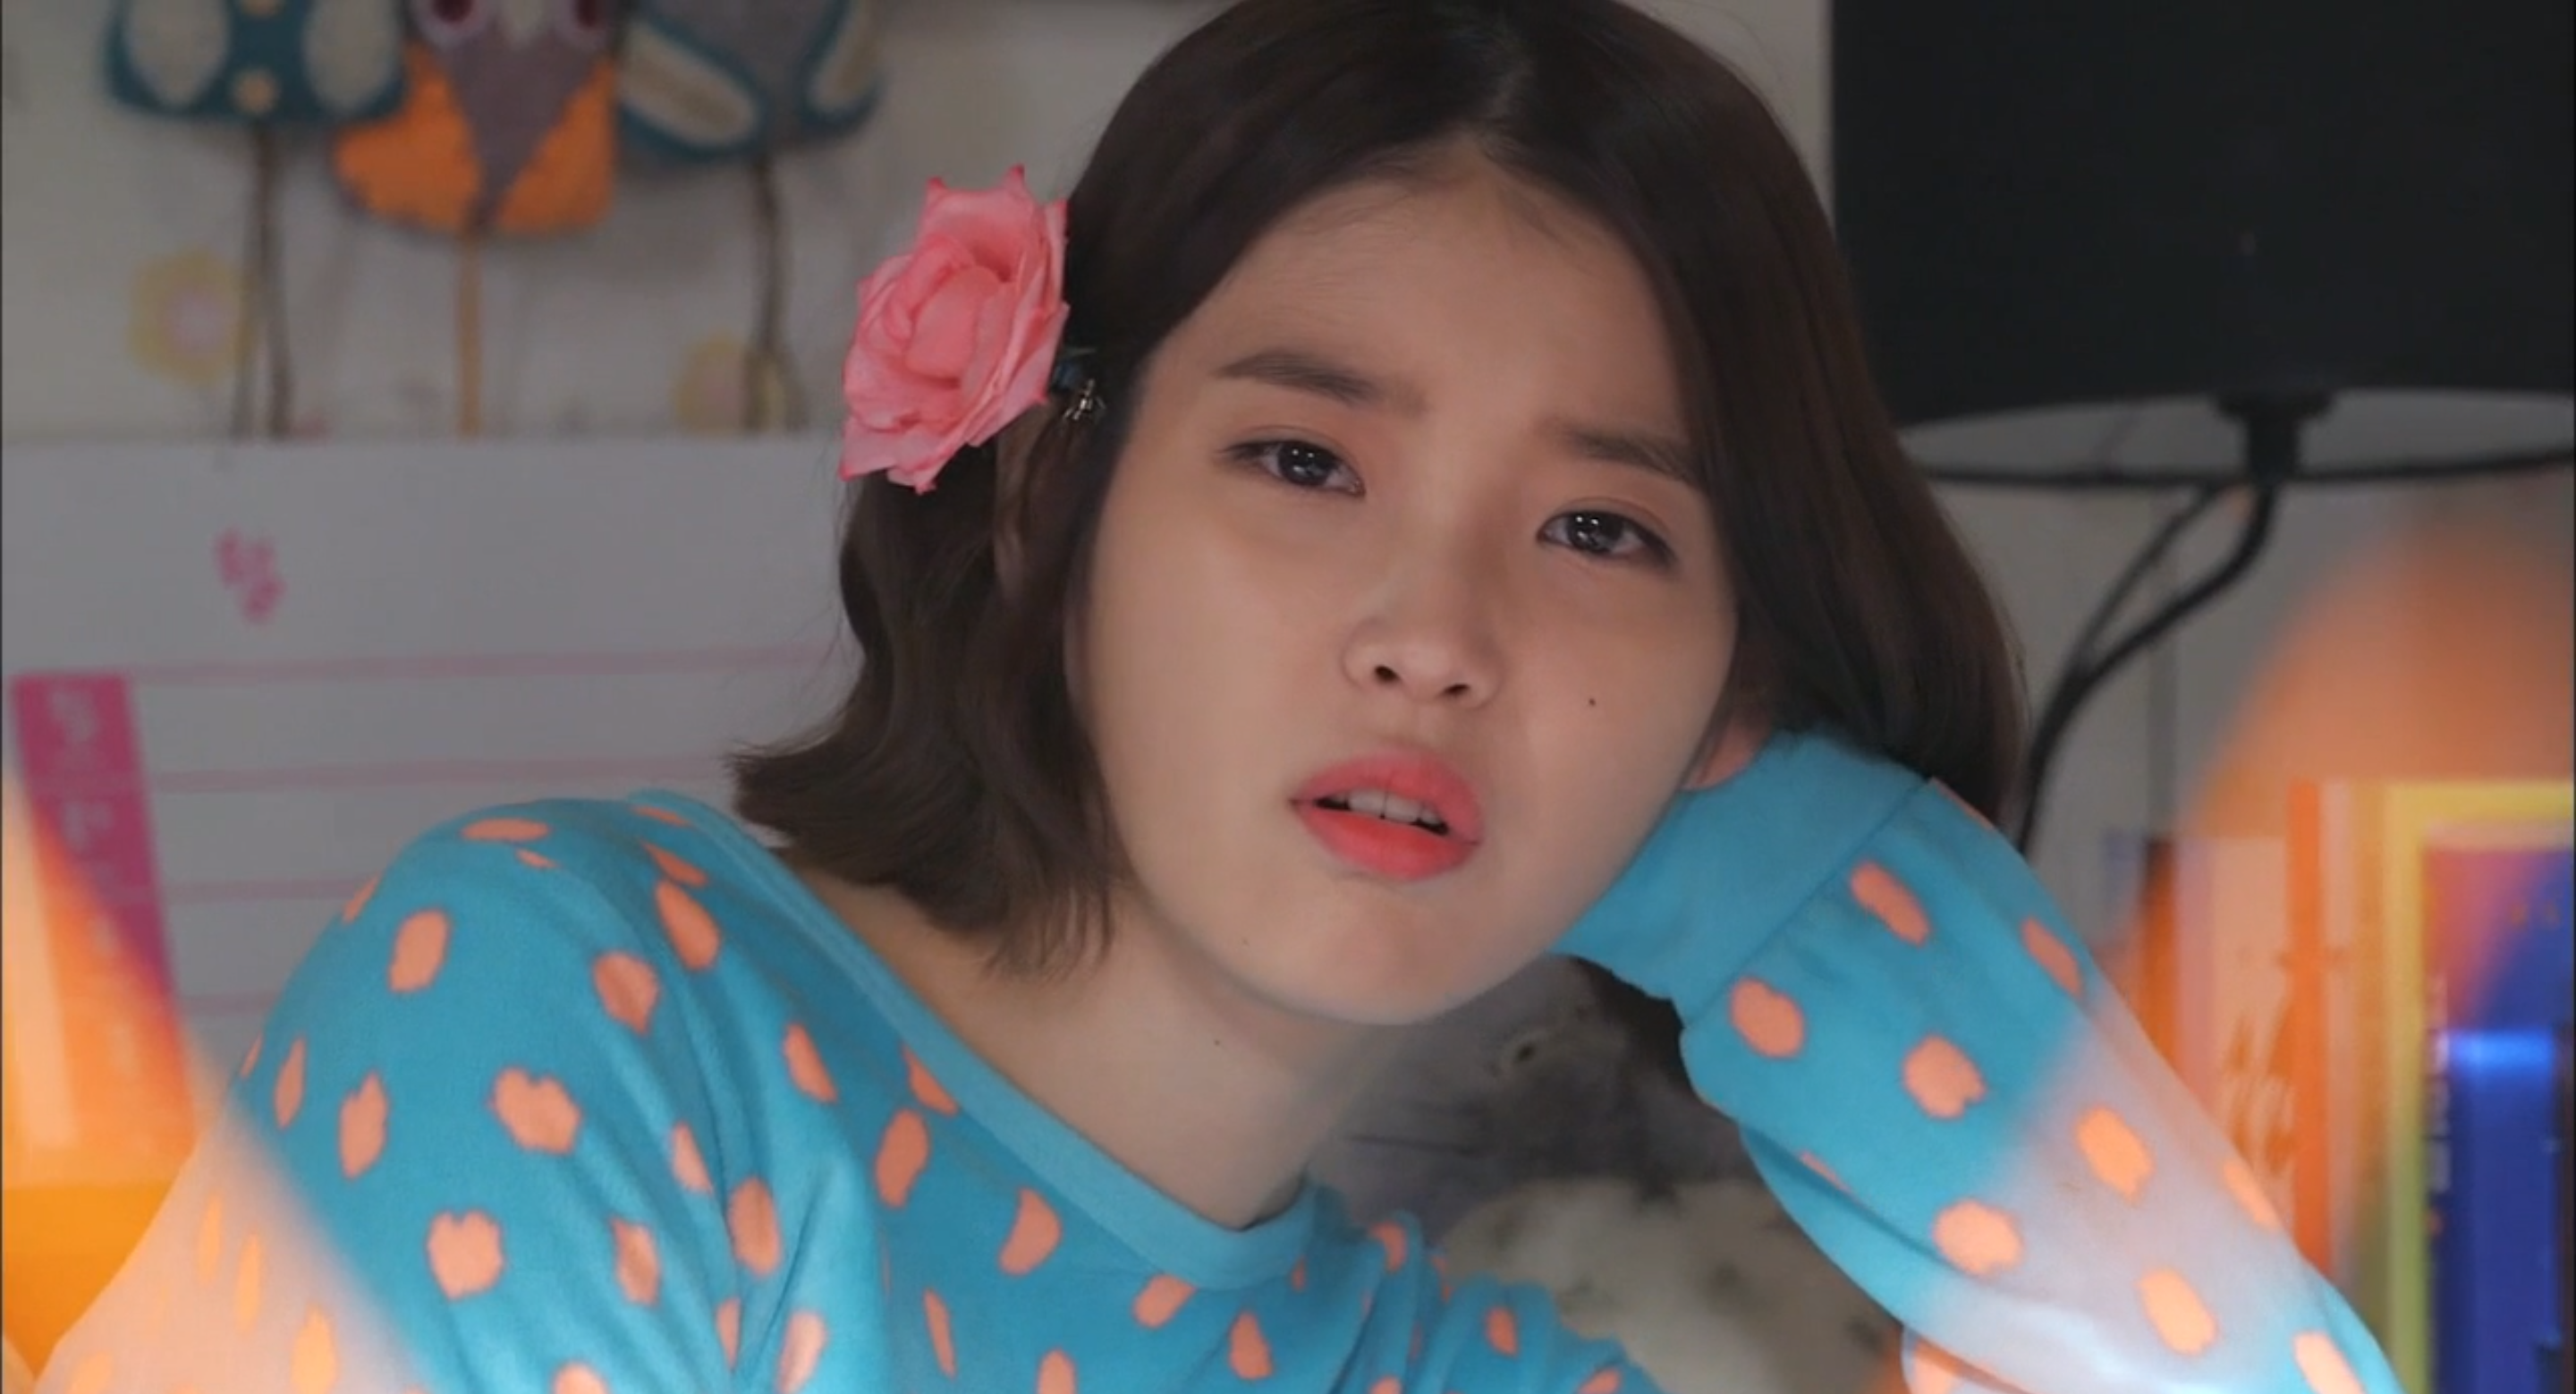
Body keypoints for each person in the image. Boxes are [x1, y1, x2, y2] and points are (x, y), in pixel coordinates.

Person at [40, 1, 2401, 1390]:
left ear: (1728, 695)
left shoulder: (1457, 1366)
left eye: (1606, 533)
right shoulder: (569, 1009)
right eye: (1302, 461)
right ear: (1043, 503)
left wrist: (1771, 868)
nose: (1435, 631)